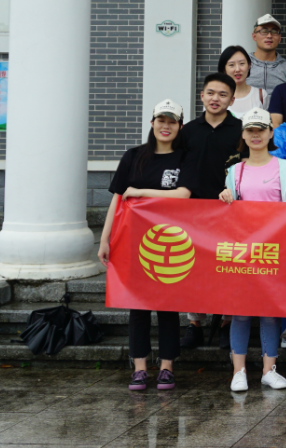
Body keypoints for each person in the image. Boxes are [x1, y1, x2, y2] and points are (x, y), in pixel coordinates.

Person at [98, 99, 192, 392]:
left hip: (170, 241)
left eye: (172, 122)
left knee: (167, 304)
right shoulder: (133, 156)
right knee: (136, 305)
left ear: (179, 126)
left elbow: (184, 194)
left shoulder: (184, 157)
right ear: (152, 123)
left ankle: (166, 367)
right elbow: (117, 198)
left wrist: (140, 192)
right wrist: (105, 238)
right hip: (132, 240)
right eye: (161, 120)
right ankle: (139, 368)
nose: (166, 126)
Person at [219, 107, 286, 392]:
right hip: (242, 251)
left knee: (269, 312)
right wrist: (225, 198)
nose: (256, 135)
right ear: (243, 135)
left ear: (270, 133)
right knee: (240, 312)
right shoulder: (234, 171)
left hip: (273, 250)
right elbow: (228, 216)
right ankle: (238, 371)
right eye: (250, 130)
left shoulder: (285, 168)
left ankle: (268, 369)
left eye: (261, 130)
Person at [179, 72, 243, 348]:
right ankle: (195, 323)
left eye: (223, 94)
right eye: (211, 93)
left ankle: (227, 323)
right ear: (202, 95)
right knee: (194, 268)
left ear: (232, 99)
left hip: (229, 210)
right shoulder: (188, 131)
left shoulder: (240, 129)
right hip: (193, 211)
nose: (215, 98)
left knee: (228, 268)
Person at [247, 14, 286, 95]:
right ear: (254, 36)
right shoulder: (243, 64)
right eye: (264, 31)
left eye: (274, 32)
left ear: (279, 38)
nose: (269, 36)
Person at [219, 45, 264, 117]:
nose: (237, 69)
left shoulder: (261, 95)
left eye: (242, 63)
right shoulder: (215, 97)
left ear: (249, 65)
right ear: (224, 68)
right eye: (231, 65)